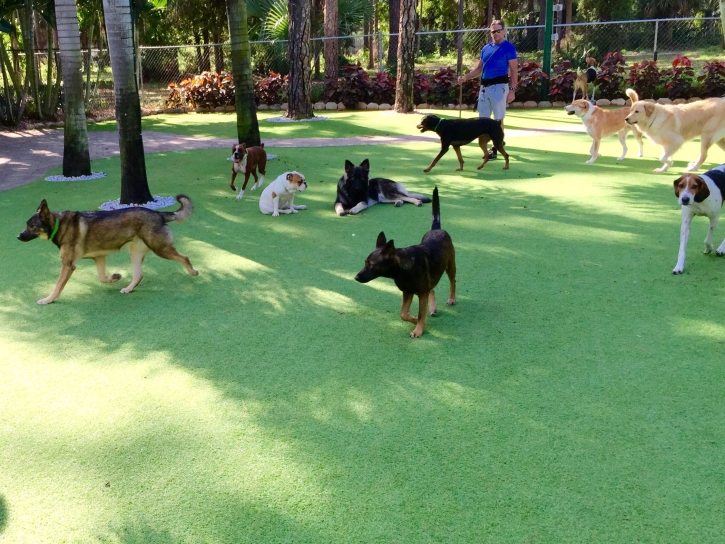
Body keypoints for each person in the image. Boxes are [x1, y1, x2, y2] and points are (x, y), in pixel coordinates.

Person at [458, 20, 518, 159]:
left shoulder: (508, 48)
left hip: (499, 87)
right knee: (483, 121)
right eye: (493, 31)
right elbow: (479, 69)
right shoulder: (486, 48)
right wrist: (465, 77)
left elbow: (514, 70)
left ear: (503, 31)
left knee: (498, 120)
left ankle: (495, 148)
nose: (495, 34)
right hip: (484, 88)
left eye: (498, 31)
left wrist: (512, 90)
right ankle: (488, 148)